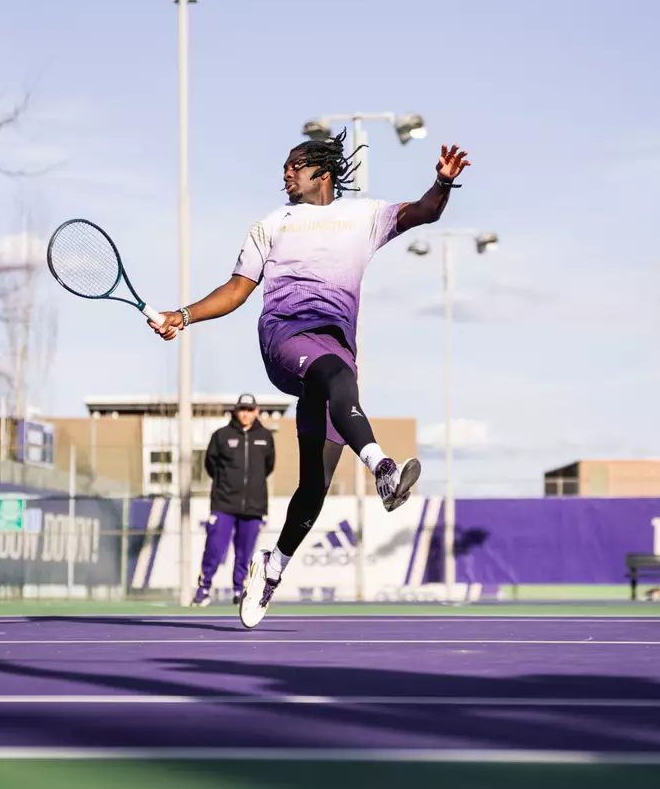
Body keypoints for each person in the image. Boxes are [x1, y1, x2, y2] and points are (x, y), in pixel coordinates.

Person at [151, 133, 470, 627]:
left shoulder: (364, 217)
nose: (285, 174)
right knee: (333, 373)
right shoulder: (272, 225)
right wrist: (184, 315)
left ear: (321, 171)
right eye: (284, 167)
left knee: (314, 485)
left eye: (293, 166)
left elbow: (425, 211)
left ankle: (272, 569)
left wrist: (442, 182)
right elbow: (237, 290)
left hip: (338, 350)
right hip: (286, 338)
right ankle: (383, 469)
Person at [192, 393, 275, 607]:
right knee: (215, 548)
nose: (245, 414)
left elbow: (268, 466)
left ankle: (240, 590)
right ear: (236, 411)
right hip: (224, 503)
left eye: (249, 409)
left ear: (256, 411)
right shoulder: (220, 436)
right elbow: (211, 465)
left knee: (245, 552)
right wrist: (228, 485)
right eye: (242, 409)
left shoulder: (265, 436)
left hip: (254, 506)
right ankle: (204, 589)